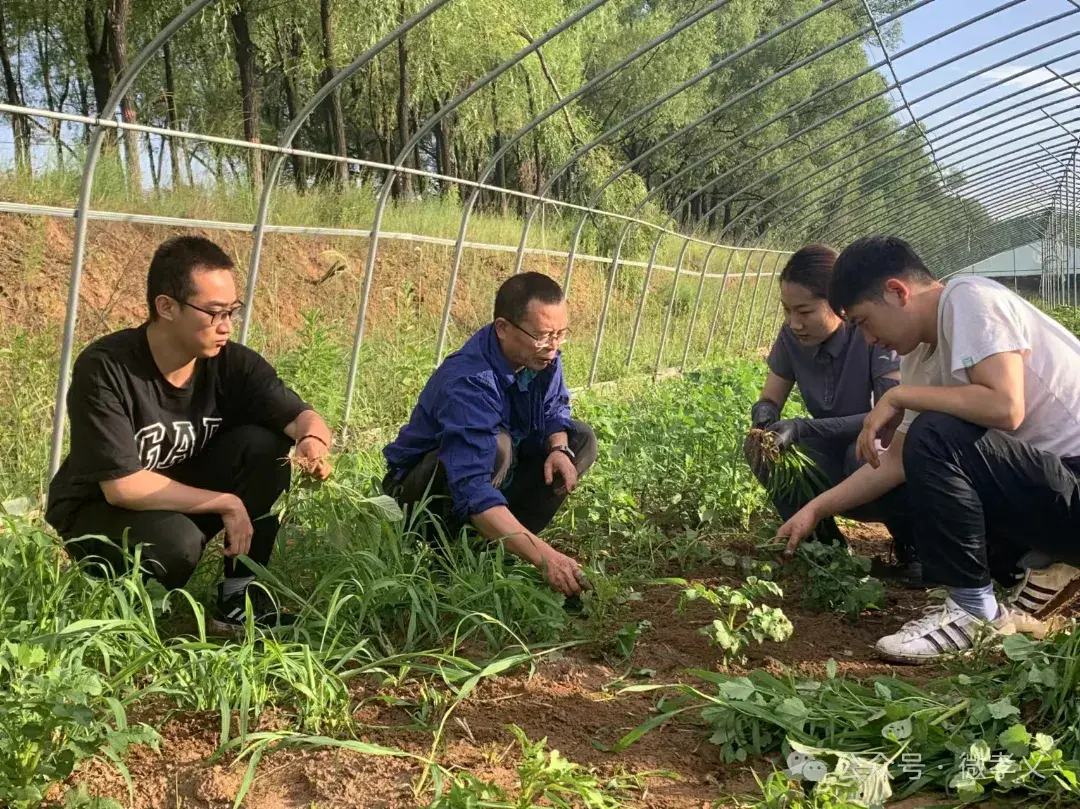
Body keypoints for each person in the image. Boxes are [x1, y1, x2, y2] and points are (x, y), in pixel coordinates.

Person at [777, 235, 1080, 664]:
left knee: (935, 432)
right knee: (923, 460)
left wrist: (900, 398)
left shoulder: (969, 298)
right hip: (1053, 491)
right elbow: (897, 461)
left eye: (863, 322)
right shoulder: (920, 356)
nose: (866, 340)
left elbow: (1005, 406)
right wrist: (816, 509)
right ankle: (1041, 564)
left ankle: (972, 611)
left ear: (897, 292)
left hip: (1074, 484)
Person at [46, 236, 333, 628]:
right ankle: (122, 611)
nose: (227, 326)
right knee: (174, 546)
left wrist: (312, 442)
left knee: (267, 446)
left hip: (178, 494)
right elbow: (122, 487)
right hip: (98, 509)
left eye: (232, 311)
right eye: (214, 313)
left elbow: (302, 416)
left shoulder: (231, 364)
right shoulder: (106, 369)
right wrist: (227, 502)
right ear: (166, 307)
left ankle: (240, 597)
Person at [383, 272, 598, 597]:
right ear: (503, 328)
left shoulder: (541, 356)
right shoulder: (469, 381)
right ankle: (440, 557)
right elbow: (470, 486)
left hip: (494, 475)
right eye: (543, 336)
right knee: (498, 448)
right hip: (419, 494)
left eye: (560, 334)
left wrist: (558, 448)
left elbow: (555, 407)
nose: (553, 347)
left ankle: (497, 545)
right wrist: (548, 559)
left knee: (579, 439)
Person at [747, 244, 921, 586]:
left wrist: (803, 428)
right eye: (787, 311)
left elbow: (888, 417)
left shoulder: (872, 331)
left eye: (805, 311)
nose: (794, 323)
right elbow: (770, 395)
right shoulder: (791, 338)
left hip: (881, 450)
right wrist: (764, 421)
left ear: (837, 305)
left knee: (862, 455)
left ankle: (914, 545)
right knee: (763, 453)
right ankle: (821, 548)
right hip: (831, 448)